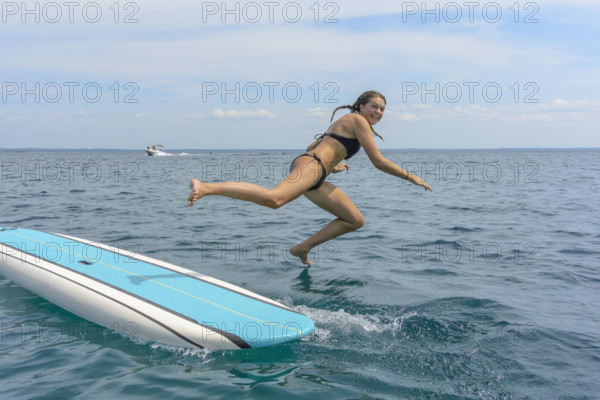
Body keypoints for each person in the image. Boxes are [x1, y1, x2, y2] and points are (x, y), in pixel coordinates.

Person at [188, 91, 432, 265]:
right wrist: (411, 177)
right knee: (275, 200)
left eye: (382, 109)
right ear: (361, 106)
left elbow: (312, 145)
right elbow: (378, 161)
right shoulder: (357, 120)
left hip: (316, 171)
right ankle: (206, 187)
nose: (378, 112)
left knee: (354, 220)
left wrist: (331, 166)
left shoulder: (349, 122)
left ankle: (302, 248)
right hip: (312, 167)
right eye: (374, 106)